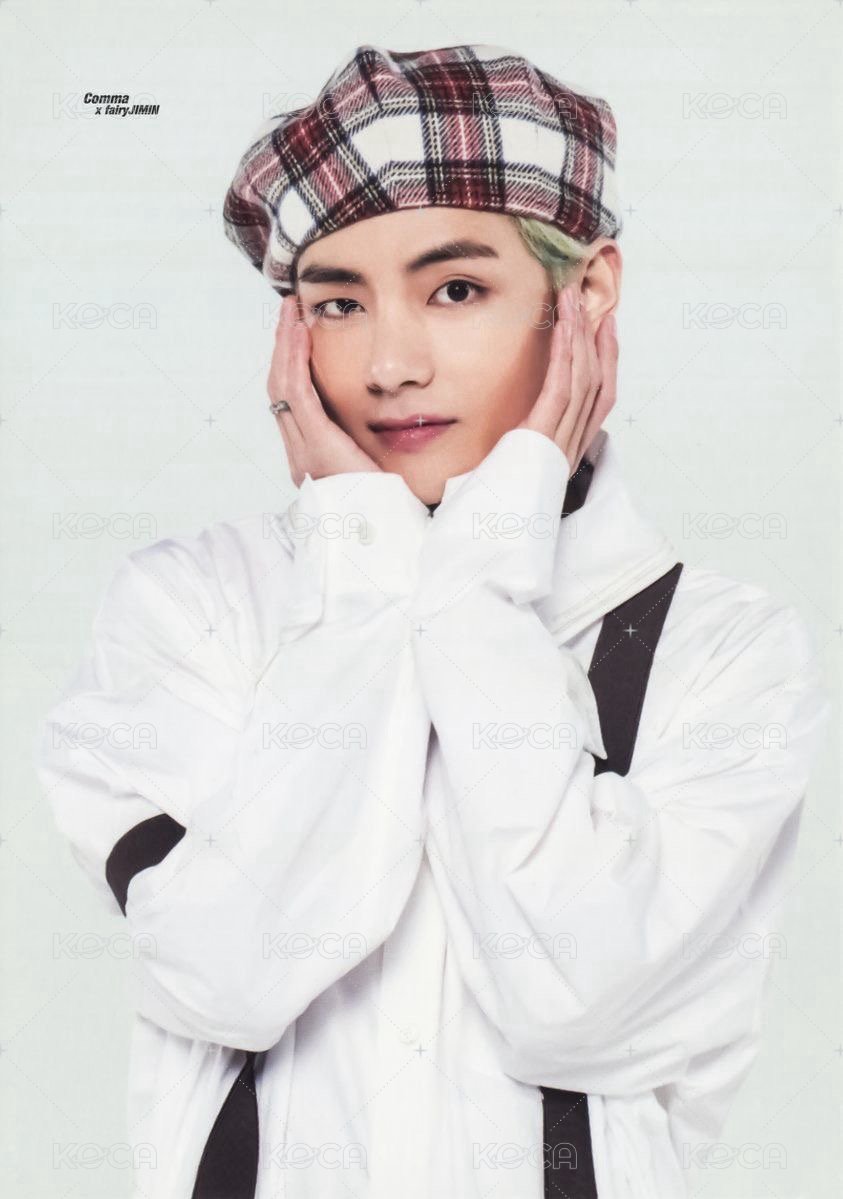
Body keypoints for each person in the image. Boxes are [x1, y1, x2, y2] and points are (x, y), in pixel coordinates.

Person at [34, 43, 831, 1199]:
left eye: (456, 289)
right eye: (338, 303)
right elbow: (229, 973)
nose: (391, 363)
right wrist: (367, 570)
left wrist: (483, 573)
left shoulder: (724, 650)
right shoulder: (189, 605)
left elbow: (571, 996)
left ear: (586, 294)